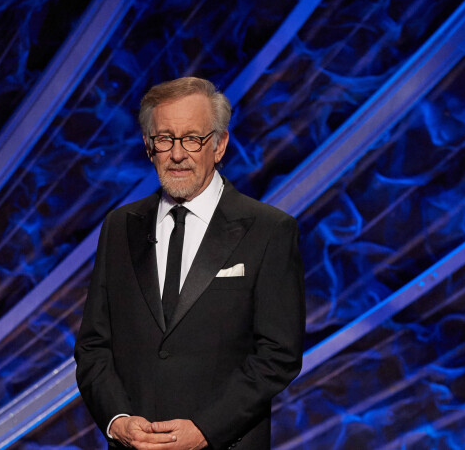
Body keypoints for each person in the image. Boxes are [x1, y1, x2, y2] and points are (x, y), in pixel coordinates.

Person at [74, 77, 305, 449]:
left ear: (219, 145)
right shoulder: (119, 226)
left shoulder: (269, 230)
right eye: (164, 138)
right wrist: (117, 421)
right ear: (149, 148)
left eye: (192, 139)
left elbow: (279, 355)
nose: (178, 154)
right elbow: (93, 345)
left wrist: (205, 429)